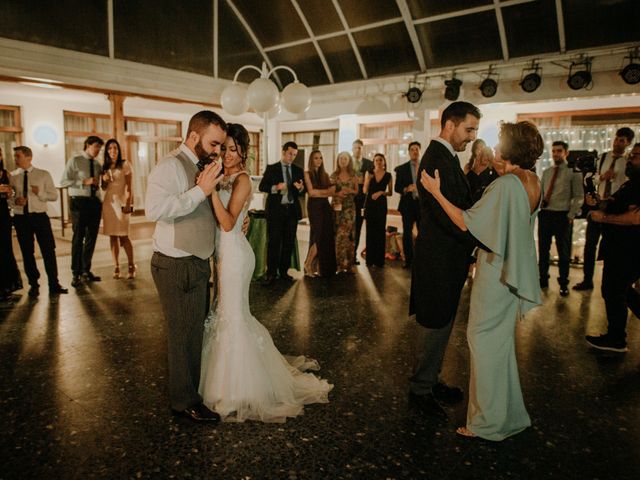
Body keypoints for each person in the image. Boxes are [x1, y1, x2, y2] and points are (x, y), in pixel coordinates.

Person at [200, 123, 332, 422]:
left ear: (243, 151)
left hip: (234, 255)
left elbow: (228, 223)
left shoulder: (242, 180)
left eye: (232, 149)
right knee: (222, 313)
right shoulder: (221, 175)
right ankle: (223, 382)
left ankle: (234, 389)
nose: (227, 154)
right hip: (222, 253)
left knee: (231, 317)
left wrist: (207, 192)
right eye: (223, 148)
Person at [421, 121, 543, 441]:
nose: (495, 144)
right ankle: (510, 415)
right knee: (499, 345)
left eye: (500, 141)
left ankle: (485, 424)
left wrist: (436, 192)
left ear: (509, 148)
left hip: (495, 271)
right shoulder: (530, 180)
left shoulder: (505, 185)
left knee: (483, 343)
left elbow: (465, 222)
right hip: (511, 271)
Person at [145, 110, 227, 423]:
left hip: (197, 261)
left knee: (194, 332)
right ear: (193, 136)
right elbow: (155, 209)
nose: (218, 150)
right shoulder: (169, 166)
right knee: (182, 335)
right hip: (174, 263)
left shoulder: (202, 167)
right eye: (214, 143)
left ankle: (190, 393)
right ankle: (184, 403)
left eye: (220, 145)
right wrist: (199, 192)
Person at [408, 101, 481, 418]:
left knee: (443, 322)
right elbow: (448, 216)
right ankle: (420, 389)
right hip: (438, 259)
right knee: (434, 323)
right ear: (449, 125)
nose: (471, 137)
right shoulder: (436, 159)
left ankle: (432, 379)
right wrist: (478, 238)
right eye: (469, 129)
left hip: (448, 258)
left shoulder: (448, 157)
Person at [585, 142, 640, 353]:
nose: (630, 159)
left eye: (635, 156)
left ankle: (617, 339)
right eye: (631, 155)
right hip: (618, 247)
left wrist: (604, 217)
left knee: (614, 290)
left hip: (629, 249)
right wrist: (599, 202)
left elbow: (635, 218)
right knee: (621, 290)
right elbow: (616, 203)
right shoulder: (630, 183)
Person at [574, 127, 635, 291]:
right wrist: (602, 178)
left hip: (617, 209)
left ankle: (617, 284)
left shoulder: (629, 162)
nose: (617, 143)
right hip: (598, 205)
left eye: (622, 140)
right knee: (590, 246)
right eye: (616, 139)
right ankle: (587, 280)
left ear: (628, 143)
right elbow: (592, 181)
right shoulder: (602, 157)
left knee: (612, 248)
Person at [9, 146, 68, 297]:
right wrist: (16, 200)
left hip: (40, 216)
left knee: (48, 250)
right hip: (21, 218)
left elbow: (54, 196)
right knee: (27, 252)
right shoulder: (12, 176)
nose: (15, 159)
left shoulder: (43, 174)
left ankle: (54, 283)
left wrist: (39, 193)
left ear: (29, 157)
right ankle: (33, 284)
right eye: (14, 157)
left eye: (18, 156)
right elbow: (9, 198)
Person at [538, 141, 584, 296]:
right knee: (543, 249)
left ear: (566, 152)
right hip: (545, 214)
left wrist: (571, 215)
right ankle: (542, 278)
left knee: (563, 252)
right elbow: (542, 193)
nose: (555, 154)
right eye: (553, 151)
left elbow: (578, 196)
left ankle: (563, 283)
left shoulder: (574, 172)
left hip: (562, 216)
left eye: (559, 151)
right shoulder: (546, 172)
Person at [60, 135, 104, 288]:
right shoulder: (75, 160)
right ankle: (75, 273)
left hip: (94, 203)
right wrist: (82, 182)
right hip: (79, 202)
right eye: (96, 146)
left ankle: (86, 270)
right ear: (87, 145)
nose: (98, 150)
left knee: (92, 238)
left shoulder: (98, 165)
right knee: (78, 237)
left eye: (100, 147)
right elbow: (63, 181)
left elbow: (100, 185)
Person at [258, 141, 305, 284]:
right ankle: (271, 273)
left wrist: (300, 188)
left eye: (295, 155)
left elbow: (303, 191)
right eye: (290, 153)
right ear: (283, 152)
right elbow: (262, 186)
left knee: (288, 242)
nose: (292, 157)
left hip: (291, 211)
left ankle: (284, 272)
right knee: (274, 242)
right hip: (276, 211)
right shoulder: (272, 168)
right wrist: (275, 187)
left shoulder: (298, 170)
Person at [100, 139, 136, 279]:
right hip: (108, 203)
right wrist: (104, 179)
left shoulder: (125, 164)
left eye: (115, 148)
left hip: (121, 203)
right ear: (107, 151)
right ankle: (116, 266)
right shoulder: (105, 166)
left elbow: (129, 186)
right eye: (109, 148)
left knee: (124, 235)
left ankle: (131, 265)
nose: (112, 151)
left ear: (118, 150)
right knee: (112, 236)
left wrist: (128, 203)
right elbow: (103, 188)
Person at [303, 150, 336, 277]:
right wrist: (326, 192)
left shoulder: (325, 175)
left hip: (325, 207)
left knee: (326, 237)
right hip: (314, 207)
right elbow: (311, 193)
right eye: (316, 158)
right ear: (311, 160)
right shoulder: (307, 174)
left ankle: (317, 266)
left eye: (320, 158)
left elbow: (332, 191)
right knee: (318, 236)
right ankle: (308, 264)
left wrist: (322, 192)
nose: (319, 160)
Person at [0, 147, 23, 300]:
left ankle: (5, 286)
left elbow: (11, 195)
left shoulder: (5, 173)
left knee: (5, 248)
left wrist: (10, 194)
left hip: (2, 214)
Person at [394, 141, 421, 268]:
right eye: (412, 149)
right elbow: (397, 187)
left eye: (417, 149)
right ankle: (409, 260)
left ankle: (422, 259)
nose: (415, 151)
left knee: (424, 233)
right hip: (407, 205)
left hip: (421, 205)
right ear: (409, 152)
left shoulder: (426, 167)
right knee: (407, 233)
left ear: (420, 151)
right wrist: (406, 188)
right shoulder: (402, 168)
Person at [330, 151, 358, 273]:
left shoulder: (353, 175)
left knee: (348, 236)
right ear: (338, 160)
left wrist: (349, 191)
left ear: (349, 160)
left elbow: (357, 191)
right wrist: (338, 193)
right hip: (336, 207)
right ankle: (339, 264)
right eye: (341, 158)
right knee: (338, 235)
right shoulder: (333, 175)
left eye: (345, 158)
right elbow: (329, 191)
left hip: (349, 208)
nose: (343, 160)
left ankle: (349, 264)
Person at [363, 153, 392, 268]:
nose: (378, 162)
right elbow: (365, 190)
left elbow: (390, 192)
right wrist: (368, 180)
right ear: (373, 162)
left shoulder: (389, 175)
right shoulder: (369, 173)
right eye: (376, 160)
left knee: (380, 231)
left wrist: (381, 192)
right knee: (370, 231)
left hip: (381, 205)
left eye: (380, 160)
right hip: (370, 204)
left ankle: (379, 260)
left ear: (384, 161)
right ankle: (370, 260)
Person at [352, 139, 374, 264]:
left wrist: (365, 181)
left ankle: (354, 254)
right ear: (352, 149)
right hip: (349, 200)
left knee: (358, 228)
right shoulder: (346, 162)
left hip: (363, 201)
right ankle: (344, 255)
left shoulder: (369, 164)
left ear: (362, 149)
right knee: (347, 228)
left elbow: (372, 183)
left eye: (359, 148)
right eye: (355, 148)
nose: (357, 150)